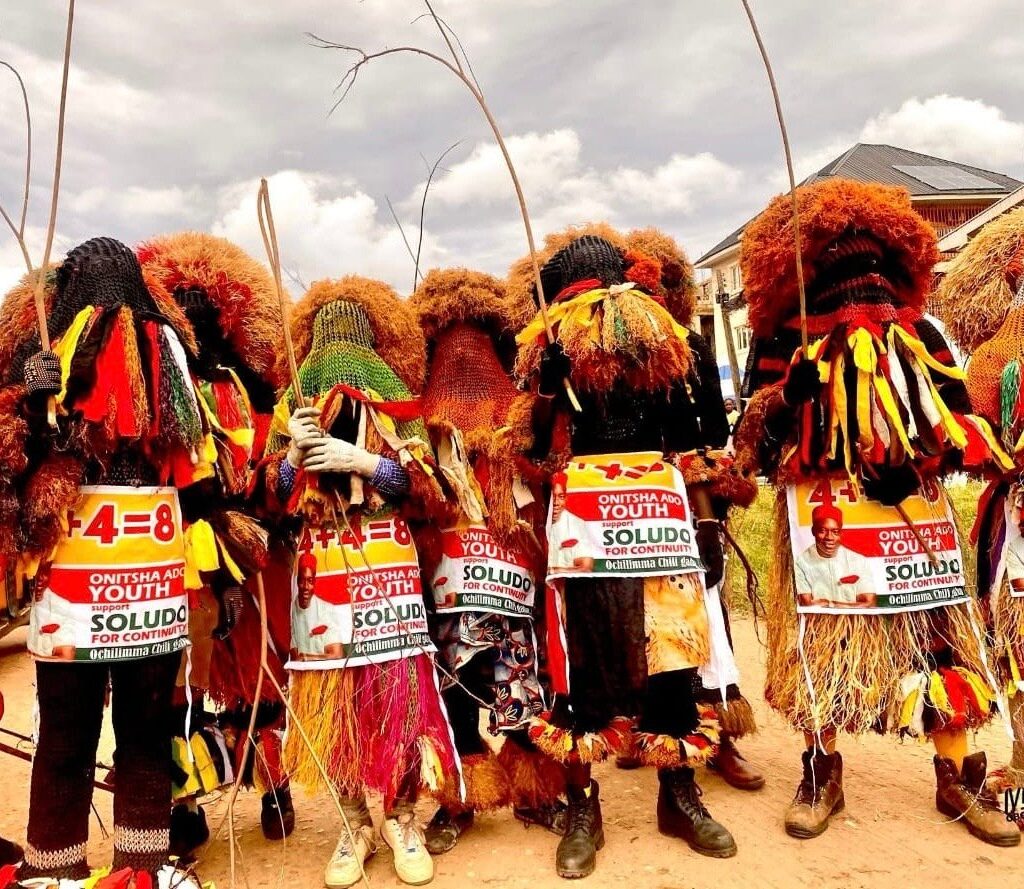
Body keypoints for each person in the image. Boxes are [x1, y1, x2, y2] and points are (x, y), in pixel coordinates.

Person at [734, 178, 1018, 846]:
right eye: (844, 264)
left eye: (874, 266)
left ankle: (958, 773)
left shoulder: (918, 333)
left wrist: (920, 460)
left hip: (910, 520)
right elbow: (749, 444)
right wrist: (783, 399)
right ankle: (819, 769)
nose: (862, 283)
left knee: (941, 645)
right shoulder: (784, 336)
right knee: (820, 650)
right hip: (825, 525)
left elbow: (960, 423)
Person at [510, 224, 753, 878]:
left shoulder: (668, 349)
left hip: (657, 523)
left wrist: (704, 516)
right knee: (581, 664)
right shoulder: (547, 356)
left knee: (671, 657)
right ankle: (583, 803)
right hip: (585, 531)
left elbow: (700, 435)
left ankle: (678, 794)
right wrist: (545, 398)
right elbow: (530, 456)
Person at [0, 237, 212, 887]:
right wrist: (31, 402)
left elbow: (198, 478)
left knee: (145, 729)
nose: (107, 302)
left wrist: (218, 572)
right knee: (67, 729)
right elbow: (15, 474)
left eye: (117, 284)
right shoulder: (41, 363)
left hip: (149, 591)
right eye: (92, 285)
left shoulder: (166, 366)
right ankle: (52, 867)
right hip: (72, 591)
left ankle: (140, 865)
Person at [251, 276, 458, 887]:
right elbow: (270, 498)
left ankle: (401, 819)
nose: (339, 358)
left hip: (386, 563)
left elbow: (429, 490)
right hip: (321, 566)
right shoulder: (297, 398)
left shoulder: (394, 394)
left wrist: (366, 462)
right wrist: (292, 455)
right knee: (330, 698)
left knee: (396, 693)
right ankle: (353, 825)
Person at [137, 231, 296, 854]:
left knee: (262, 672)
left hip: (245, 543)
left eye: (205, 306)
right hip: (173, 549)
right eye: (183, 305)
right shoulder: (150, 386)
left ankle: (274, 785)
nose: (196, 318)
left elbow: (265, 457)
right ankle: (183, 801)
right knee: (179, 680)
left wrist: (264, 498)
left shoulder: (246, 387)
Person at [409, 267, 567, 854]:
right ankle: (459, 799)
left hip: (512, 581)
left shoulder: (518, 417)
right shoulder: (422, 424)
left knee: (521, 681)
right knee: (454, 687)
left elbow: (546, 468)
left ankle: (534, 789)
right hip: (446, 582)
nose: (465, 362)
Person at [623, 227, 763, 790]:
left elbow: (709, 434)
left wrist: (705, 514)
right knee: (645, 620)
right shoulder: (613, 352)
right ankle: (650, 725)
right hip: (628, 506)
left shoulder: (692, 348)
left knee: (706, 610)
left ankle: (720, 732)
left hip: (690, 504)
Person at [938, 206, 1024, 820]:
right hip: (1015, 516)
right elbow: (979, 443)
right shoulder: (998, 357)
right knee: (1017, 643)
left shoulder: (997, 356)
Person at [793, 505, 876, 608]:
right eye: (822, 531)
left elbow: (869, 603)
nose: (829, 537)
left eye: (835, 532)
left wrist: (831, 604)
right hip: (818, 622)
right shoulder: (801, 563)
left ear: (841, 533)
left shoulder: (859, 561)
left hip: (853, 621)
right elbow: (807, 604)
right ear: (813, 531)